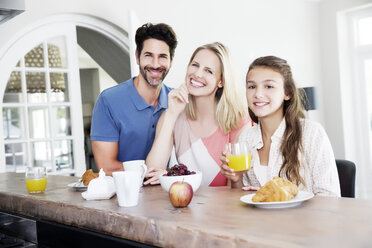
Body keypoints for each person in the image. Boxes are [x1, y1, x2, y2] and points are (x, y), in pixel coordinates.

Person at [220, 56, 340, 197]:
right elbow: (242, 200)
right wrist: (236, 179)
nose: (258, 94)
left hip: (304, 219)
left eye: (269, 86)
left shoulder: (311, 133)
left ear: (287, 93)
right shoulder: (245, 138)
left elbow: (330, 197)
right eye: (252, 86)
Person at [145, 42, 248, 186]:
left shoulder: (238, 120)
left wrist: (174, 177)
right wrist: (171, 114)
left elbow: (236, 186)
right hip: (185, 206)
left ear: (221, 81)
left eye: (209, 71)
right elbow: (151, 172)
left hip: (224, 207)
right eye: (195, 65)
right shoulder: (172, 116)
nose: (197, 74)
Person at [90, 23, 177, 176]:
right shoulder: (108, 101)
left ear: (171, 60)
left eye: (162, 56)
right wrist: (153, 171)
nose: (155, 64)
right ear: (137, 57)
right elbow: (107, 166)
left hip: (164, 193)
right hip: (120, 195)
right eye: (148, 55)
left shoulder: (177, 102)